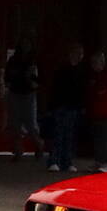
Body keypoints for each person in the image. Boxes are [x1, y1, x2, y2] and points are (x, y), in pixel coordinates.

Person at [44, 44, 87, 172]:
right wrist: (52, 105)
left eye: (81, 54)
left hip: (74, 107)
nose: (79, 56)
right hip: (61, 105)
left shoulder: (81, 71)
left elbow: (82, 91)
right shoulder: (62, 69)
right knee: (58, 133)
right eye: (77, 53)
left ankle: (67, 161)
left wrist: (82, 105)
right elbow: (55, 89)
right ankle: (54, 160)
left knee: (70, 135)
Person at [1, 38, 42, 161]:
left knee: (30, 123)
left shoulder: (33, 60)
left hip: (28, 94)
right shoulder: (13, 60)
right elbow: (7, 75)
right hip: (15, 93)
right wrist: (8, 83)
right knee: (15, 123)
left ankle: (39, 145)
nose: (25, 46)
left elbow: (37, 79)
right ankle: (18, 150)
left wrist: (32, 81)